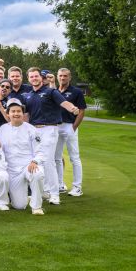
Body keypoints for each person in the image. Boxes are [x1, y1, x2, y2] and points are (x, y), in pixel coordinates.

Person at [21, 67, 81, 205]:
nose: (34, 79)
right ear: (28, 79)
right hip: (34, 131)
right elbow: (26, 115)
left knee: (48, 161)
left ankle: (54, 194)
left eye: (36, 76)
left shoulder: (51, 91)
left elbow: (64, 102)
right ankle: (44, 191)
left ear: (41, 78)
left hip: (49, 129)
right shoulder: (28, 95)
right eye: (31, 77)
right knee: (37, 160)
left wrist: (72, 108)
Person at [0, 99, 46, 215]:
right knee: (19, 206)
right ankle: (24, 198)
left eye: (19, 111)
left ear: (23, 114)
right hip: (12, 169)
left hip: (28, 165)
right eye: (13, 111)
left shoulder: (31, 129)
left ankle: (36, 206)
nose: (16, 114)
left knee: (37, 174)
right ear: (8, 113)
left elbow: (40, 150)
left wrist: (34, 161)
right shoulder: (2, 129)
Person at [56, 68, 86, 197]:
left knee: (74, 157)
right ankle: (60, 184)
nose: (62, 78)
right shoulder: (54, 91)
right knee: (56, 157)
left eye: (65, 76)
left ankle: (77, 187)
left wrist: (74, 127)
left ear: (70, 77)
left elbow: (81, 111)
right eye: (61, 76)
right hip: (56, 126)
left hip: (69, 126)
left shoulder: (76, 92)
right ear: (58, 77)